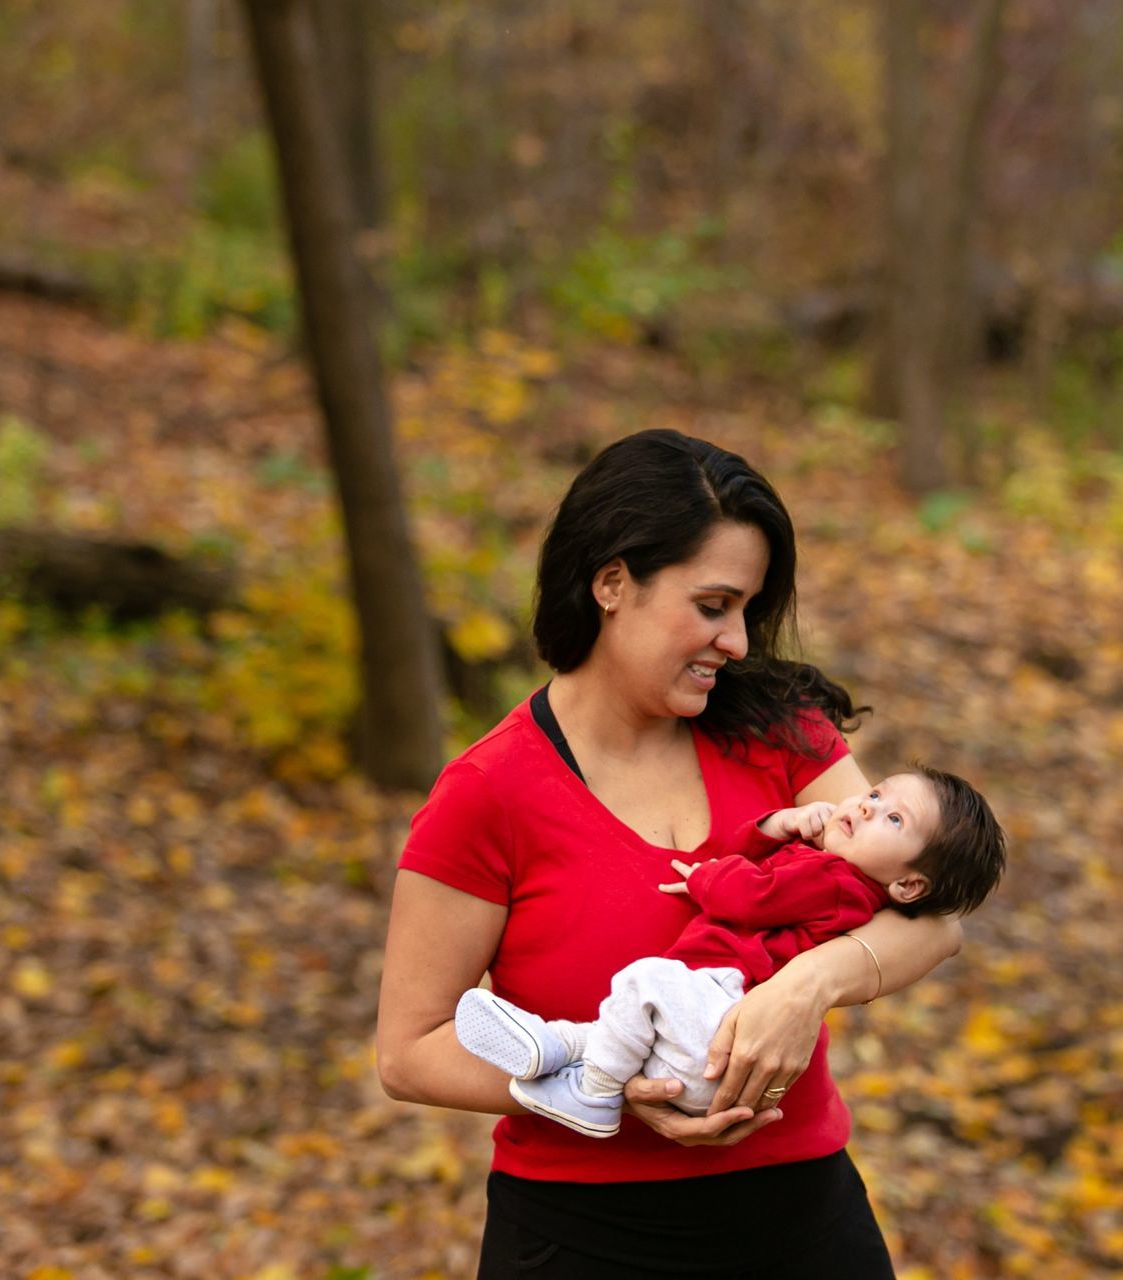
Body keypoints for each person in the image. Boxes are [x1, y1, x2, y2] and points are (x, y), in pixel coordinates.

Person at [376, 430, 966, 1278]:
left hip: (802, 1223)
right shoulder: (489, 793)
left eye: (748, 612)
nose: (736, 641)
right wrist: (603, 1087)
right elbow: (409, 1049)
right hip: (584, 1240)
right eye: (713, 604)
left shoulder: (779, 731)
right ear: (612, 582)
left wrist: (806, 989)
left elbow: (934, 919)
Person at [454, 769, 1006, 1138]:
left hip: (718, 1025)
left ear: (908, 888)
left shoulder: (835, 882)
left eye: (893, 819)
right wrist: (778, 825)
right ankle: (559, 1046)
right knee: (633, 1010)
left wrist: (705, 879)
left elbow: (750, 895)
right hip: (707, 1035)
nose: (866, 806)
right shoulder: (828, 869)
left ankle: (594, 1094)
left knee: (644, 981)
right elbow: (758, 864)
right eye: (877, 793)